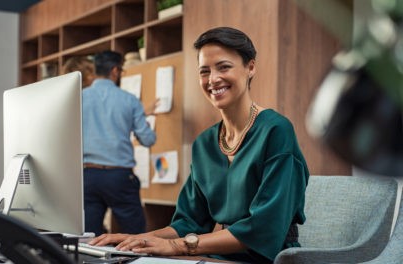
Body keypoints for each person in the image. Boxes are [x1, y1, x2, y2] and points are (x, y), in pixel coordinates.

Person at [88, 27, 309, 263]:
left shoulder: (276, 130)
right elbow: (189, 221)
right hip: (221, 257)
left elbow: (263, 227)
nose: (213, 79)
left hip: (272, 257)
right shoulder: (204, 143)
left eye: (224, 67)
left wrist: (176, 246)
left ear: (250, 67)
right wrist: (136, 240)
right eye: (205, 71)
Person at [82, 50, 157, 236]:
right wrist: (144, 121)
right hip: (119, 177)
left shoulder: (79, 97)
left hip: (87, 176)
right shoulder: (129, 100)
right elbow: (148, 139)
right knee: (135, 236)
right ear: (115, 71)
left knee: (88, 238)